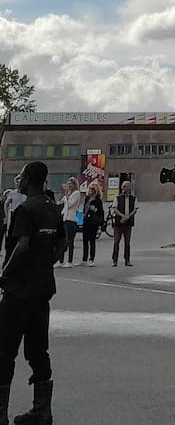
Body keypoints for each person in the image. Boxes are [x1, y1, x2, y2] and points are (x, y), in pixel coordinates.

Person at [0, 161, 64, 425]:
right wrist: (48, 261)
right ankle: (42, 411)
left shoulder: (25, 209)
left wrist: (5, 274)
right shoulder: (52, 207)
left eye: (22, 177)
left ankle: (0, 413)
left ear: (28, 179)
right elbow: (62, 241)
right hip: (43, 289)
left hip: (19, 290)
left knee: (4, 350)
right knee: (38, 350)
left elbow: (23, 245)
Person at [110, 181, 138, 268]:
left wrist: (128, 216)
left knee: (127, 242)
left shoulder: (133, 198)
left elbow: (135, 210)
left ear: (129, 188)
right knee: (116, 241)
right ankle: (114, 260)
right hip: (119, 222)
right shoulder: (117, 198)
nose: (123, 188)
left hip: (128, 223)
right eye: (122, 187)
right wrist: (122, 216)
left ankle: (127, 259)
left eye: (125, 187)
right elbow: (115, 209)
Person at [56, 179, 81, 268]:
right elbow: (60, 202)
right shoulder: (67, 194)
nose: (69, 186)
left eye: (71, 184)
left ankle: (69, 261)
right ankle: (60, 260)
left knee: (69, 241)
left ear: (75, 185)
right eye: (68, 184)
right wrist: (62, 193)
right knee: (61, 240)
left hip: (71, 219)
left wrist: (66, 194)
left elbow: (70, 204)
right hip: (64, 218)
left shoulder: (76, 193)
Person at [80, 183, 104, 265]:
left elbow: (101, 212)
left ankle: (91, 259)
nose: (90, 190)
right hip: (86, 221)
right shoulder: (87, 199)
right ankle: (84, 259)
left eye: (92, 189)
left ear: (96, 191)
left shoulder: (98, 201)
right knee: (85, 240)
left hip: (93, 222)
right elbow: (84, 208)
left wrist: (95, 210)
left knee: (92, 240)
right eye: (90, 188)